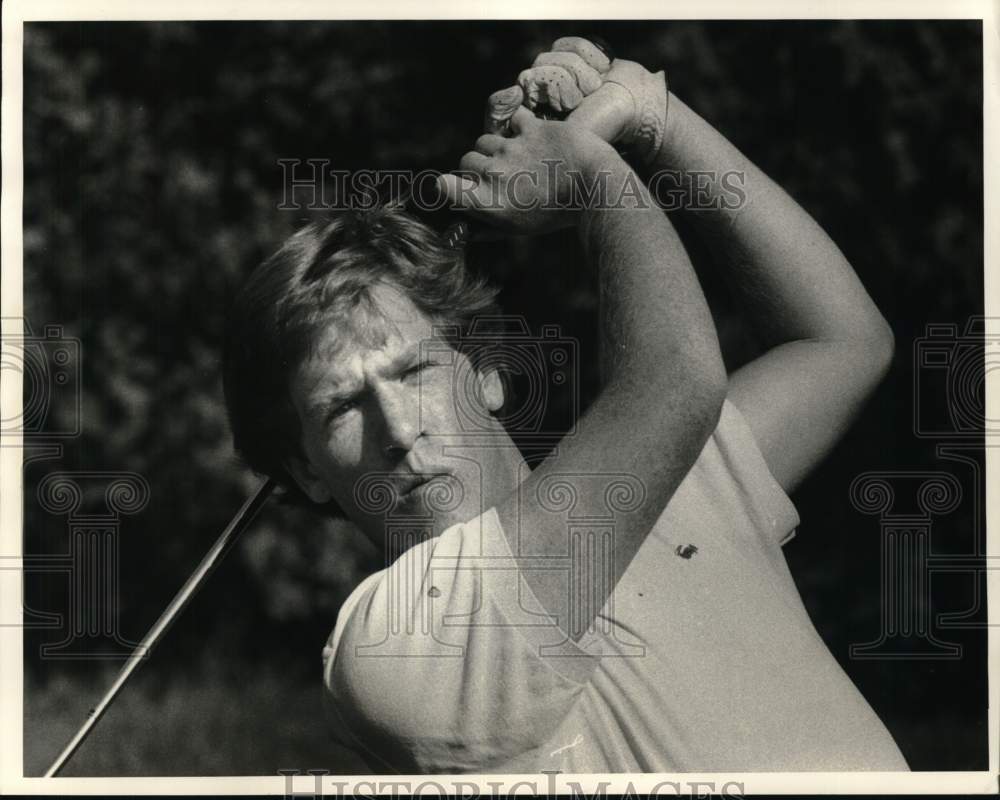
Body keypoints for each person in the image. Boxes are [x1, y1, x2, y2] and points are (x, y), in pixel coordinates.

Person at [222, 36, 907, 773]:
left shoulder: (669, 480)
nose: (398, 427)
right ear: (306, 468)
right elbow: (676, 380)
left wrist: (653, 116)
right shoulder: (389, 645)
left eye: (415, 369)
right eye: (341, 407)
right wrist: (592, 174)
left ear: (488, 373)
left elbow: (841, 340)